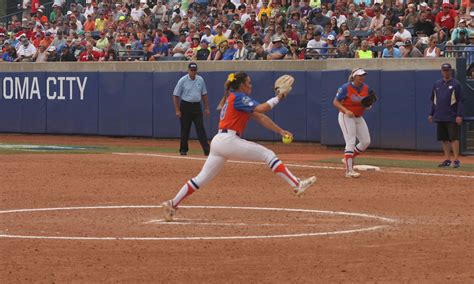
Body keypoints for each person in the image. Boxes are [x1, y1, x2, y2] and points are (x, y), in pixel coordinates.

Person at [161, 72, 317, 221]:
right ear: (241, 85)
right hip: (228, 140)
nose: (251, 85)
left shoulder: (233, 98)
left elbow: (260, 117)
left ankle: (172, 204)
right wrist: (278, 97)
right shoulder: (238, 97)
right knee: (267, 154)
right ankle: (297, 184)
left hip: (219, 142)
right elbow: (262, 108)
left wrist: (280, 131)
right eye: (248, 83)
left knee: (201, 179)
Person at [333, 68, 373, 178]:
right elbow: (335, 102)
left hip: (358, 116)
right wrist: (346, 110)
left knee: (365, 141)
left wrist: (368, 105)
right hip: (346, 116)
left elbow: (367, 102)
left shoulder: (366, 88)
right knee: (351, 140)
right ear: (354, 77)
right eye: (360, 75)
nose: (362, 77)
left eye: (363, 75)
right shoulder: (345, 87)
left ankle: (348, 158)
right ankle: (349, 171)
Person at [428, 63, 464, 168]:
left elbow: (460, 101)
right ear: (441, 71)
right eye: (444, 70)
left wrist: (459, 115)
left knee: (454, 138)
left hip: (452, 115)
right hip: (440, 115)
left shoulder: (456, 84)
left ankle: (456, 160)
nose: (446, 72)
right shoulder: (437, 84)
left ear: (451, 71)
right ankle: (447, 159)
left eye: (448, 70)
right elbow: (434, 100)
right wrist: (431, 113)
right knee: (444, 138)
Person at [173, 62, 211, 156]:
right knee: (185, 129)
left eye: (195, 70)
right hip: (185, 106)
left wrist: (206, 107)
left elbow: (204, 94)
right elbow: (175, 95)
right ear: (188, 70)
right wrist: (177, 110)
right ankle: (183, 149)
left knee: (200, 128)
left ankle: (207, 150)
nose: (193, 72)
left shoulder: (200, 79)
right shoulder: (182, 80)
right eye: (191, 70)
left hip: (197, 106)